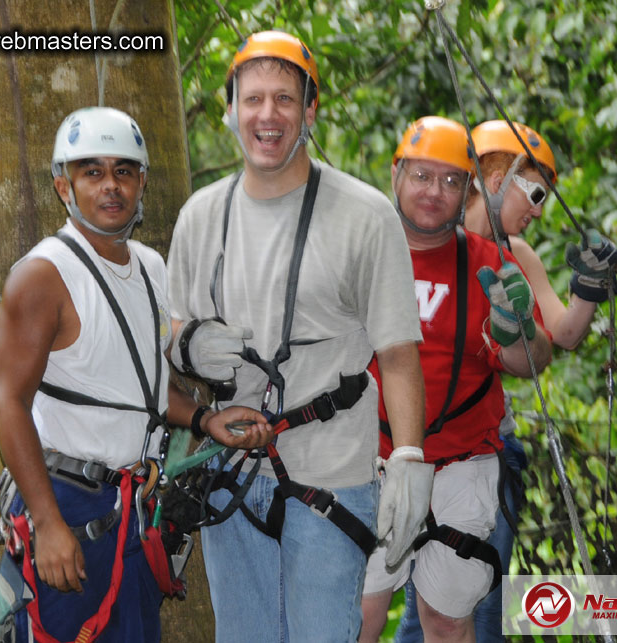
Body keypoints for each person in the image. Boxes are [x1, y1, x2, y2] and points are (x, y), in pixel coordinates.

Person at [165, 31, 431, 641]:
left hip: (329, 476)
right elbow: (170, 327)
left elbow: (396, 351)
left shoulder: (364, 216)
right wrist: (187, 344)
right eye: (253, 99)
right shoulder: (201, 217)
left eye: (285, 99)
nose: (268, 115)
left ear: (310, 111)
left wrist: (410, 456)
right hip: (229, 472)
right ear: (228, 109)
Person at [0, 106, 272, 643]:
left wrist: (206, 418)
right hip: (66, 502)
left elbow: (147, 385)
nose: (110, 186)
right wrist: (46, 525)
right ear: (63, 186)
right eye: (92, 172)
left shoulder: (149, 267)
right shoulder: (43, 276)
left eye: (124, 171)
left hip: (135, 504)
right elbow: (9, 403)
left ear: (142, 182)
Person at [359, 116, 553, 643]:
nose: (434, 192)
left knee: (446, 621)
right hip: (369, 460)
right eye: (422, 176)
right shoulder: (358, 251)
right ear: (396, 173)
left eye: (450, 181)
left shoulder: (490, 263)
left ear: (468, 189)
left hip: (463, 461)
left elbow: (533, 360)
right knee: (358, 617)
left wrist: (516, 329)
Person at [462, 120, 617, 643]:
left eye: (544, 200)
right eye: (533, 193)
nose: (537, 210)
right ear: (492, 174)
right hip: (414, 447)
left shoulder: (517, 254)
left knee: (481, 605)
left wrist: (587, 290)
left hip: (488, 446)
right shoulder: (428, 240)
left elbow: (563, 337)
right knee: (427, 613)